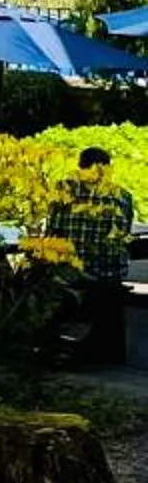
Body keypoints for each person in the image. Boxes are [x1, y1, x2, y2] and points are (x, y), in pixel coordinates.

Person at [49, 145, 136, 368]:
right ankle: (111, 352)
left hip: (71, 273)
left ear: (80, 166)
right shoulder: (123, 196)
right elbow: (123, 234)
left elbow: (53, 234)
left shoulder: (63, 191)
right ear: (108, 169)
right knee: (111, 287)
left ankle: (53, 344)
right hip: (108, 274)